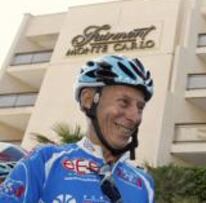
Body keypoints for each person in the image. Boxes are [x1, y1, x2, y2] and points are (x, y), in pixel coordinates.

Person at [0, 55, 155, 202]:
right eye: (124, 102)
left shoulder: (144, 183)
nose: (135, 117)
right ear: (88, 100)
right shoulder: (44, 161)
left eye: (140, 108)